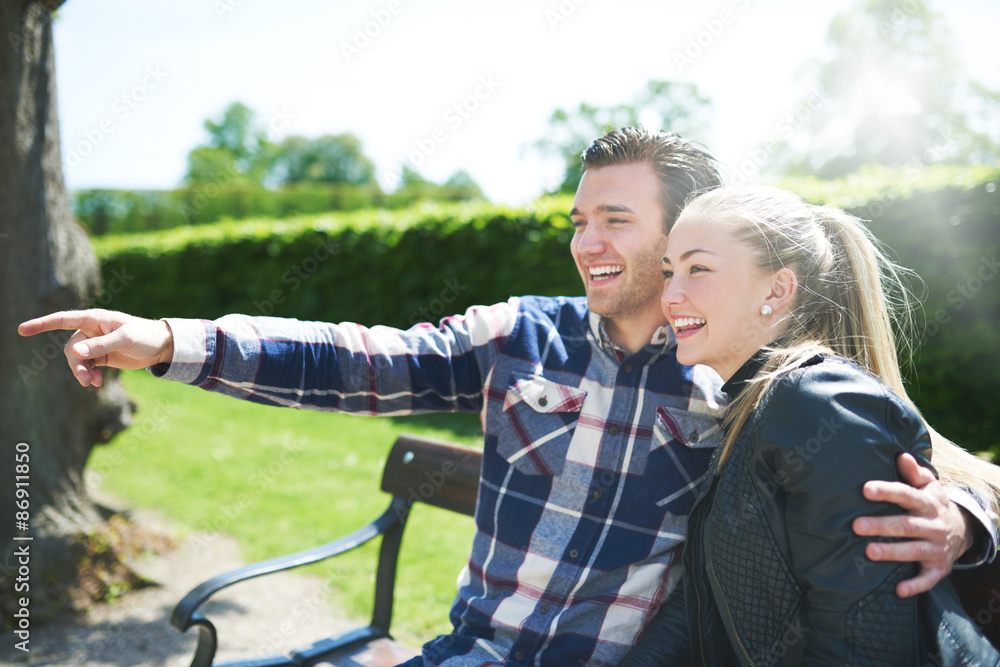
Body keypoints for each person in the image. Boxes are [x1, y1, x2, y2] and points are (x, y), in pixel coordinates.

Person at [18, 129, 996, 666]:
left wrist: (960, 515)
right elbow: (364, 359)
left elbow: (913, 457)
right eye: (578, 219)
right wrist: (172, 341)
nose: (585, 241)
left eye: (616, 218)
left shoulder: (740, 380)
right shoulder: (525, 332)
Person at [621, 185, 1000, 665]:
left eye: (698, 269)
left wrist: (967, 516)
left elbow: (866, 647)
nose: (671, 295)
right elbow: (704, 599)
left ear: (777, 290)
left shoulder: (815, 402)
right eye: (669, 271)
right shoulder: (754, 407)